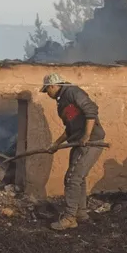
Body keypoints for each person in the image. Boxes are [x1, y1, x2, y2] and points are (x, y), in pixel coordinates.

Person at [42, 73, 106, 230]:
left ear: (53, 86)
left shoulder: (72, 91)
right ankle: (80, 214)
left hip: (89, 142)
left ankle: (70, 217)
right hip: (78, 142)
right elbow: (70, 128)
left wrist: (86, 135)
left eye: (46, 90)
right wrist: (56, 144)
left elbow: (91, 110)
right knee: (79, 178)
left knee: (72, 178)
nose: (47, 94)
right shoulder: (63, 102)